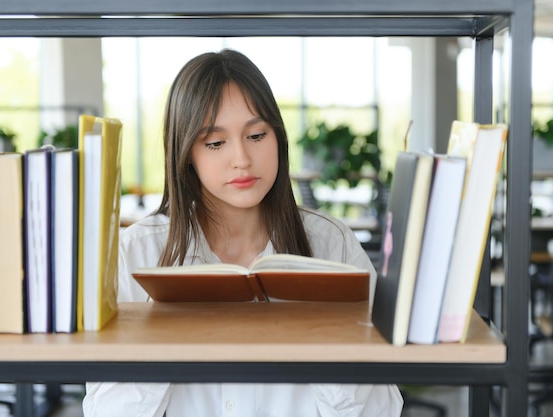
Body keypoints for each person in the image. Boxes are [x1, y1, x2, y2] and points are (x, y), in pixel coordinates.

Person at [83, 49, 404, 417]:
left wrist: (326, 339)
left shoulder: (332, 244)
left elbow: (383, 408)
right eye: (215, 143)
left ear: (277, 137)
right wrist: (161, 336)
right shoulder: (136, 252)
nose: (241, 159)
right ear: (187, 152)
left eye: (256, 135)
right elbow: (105, 410)